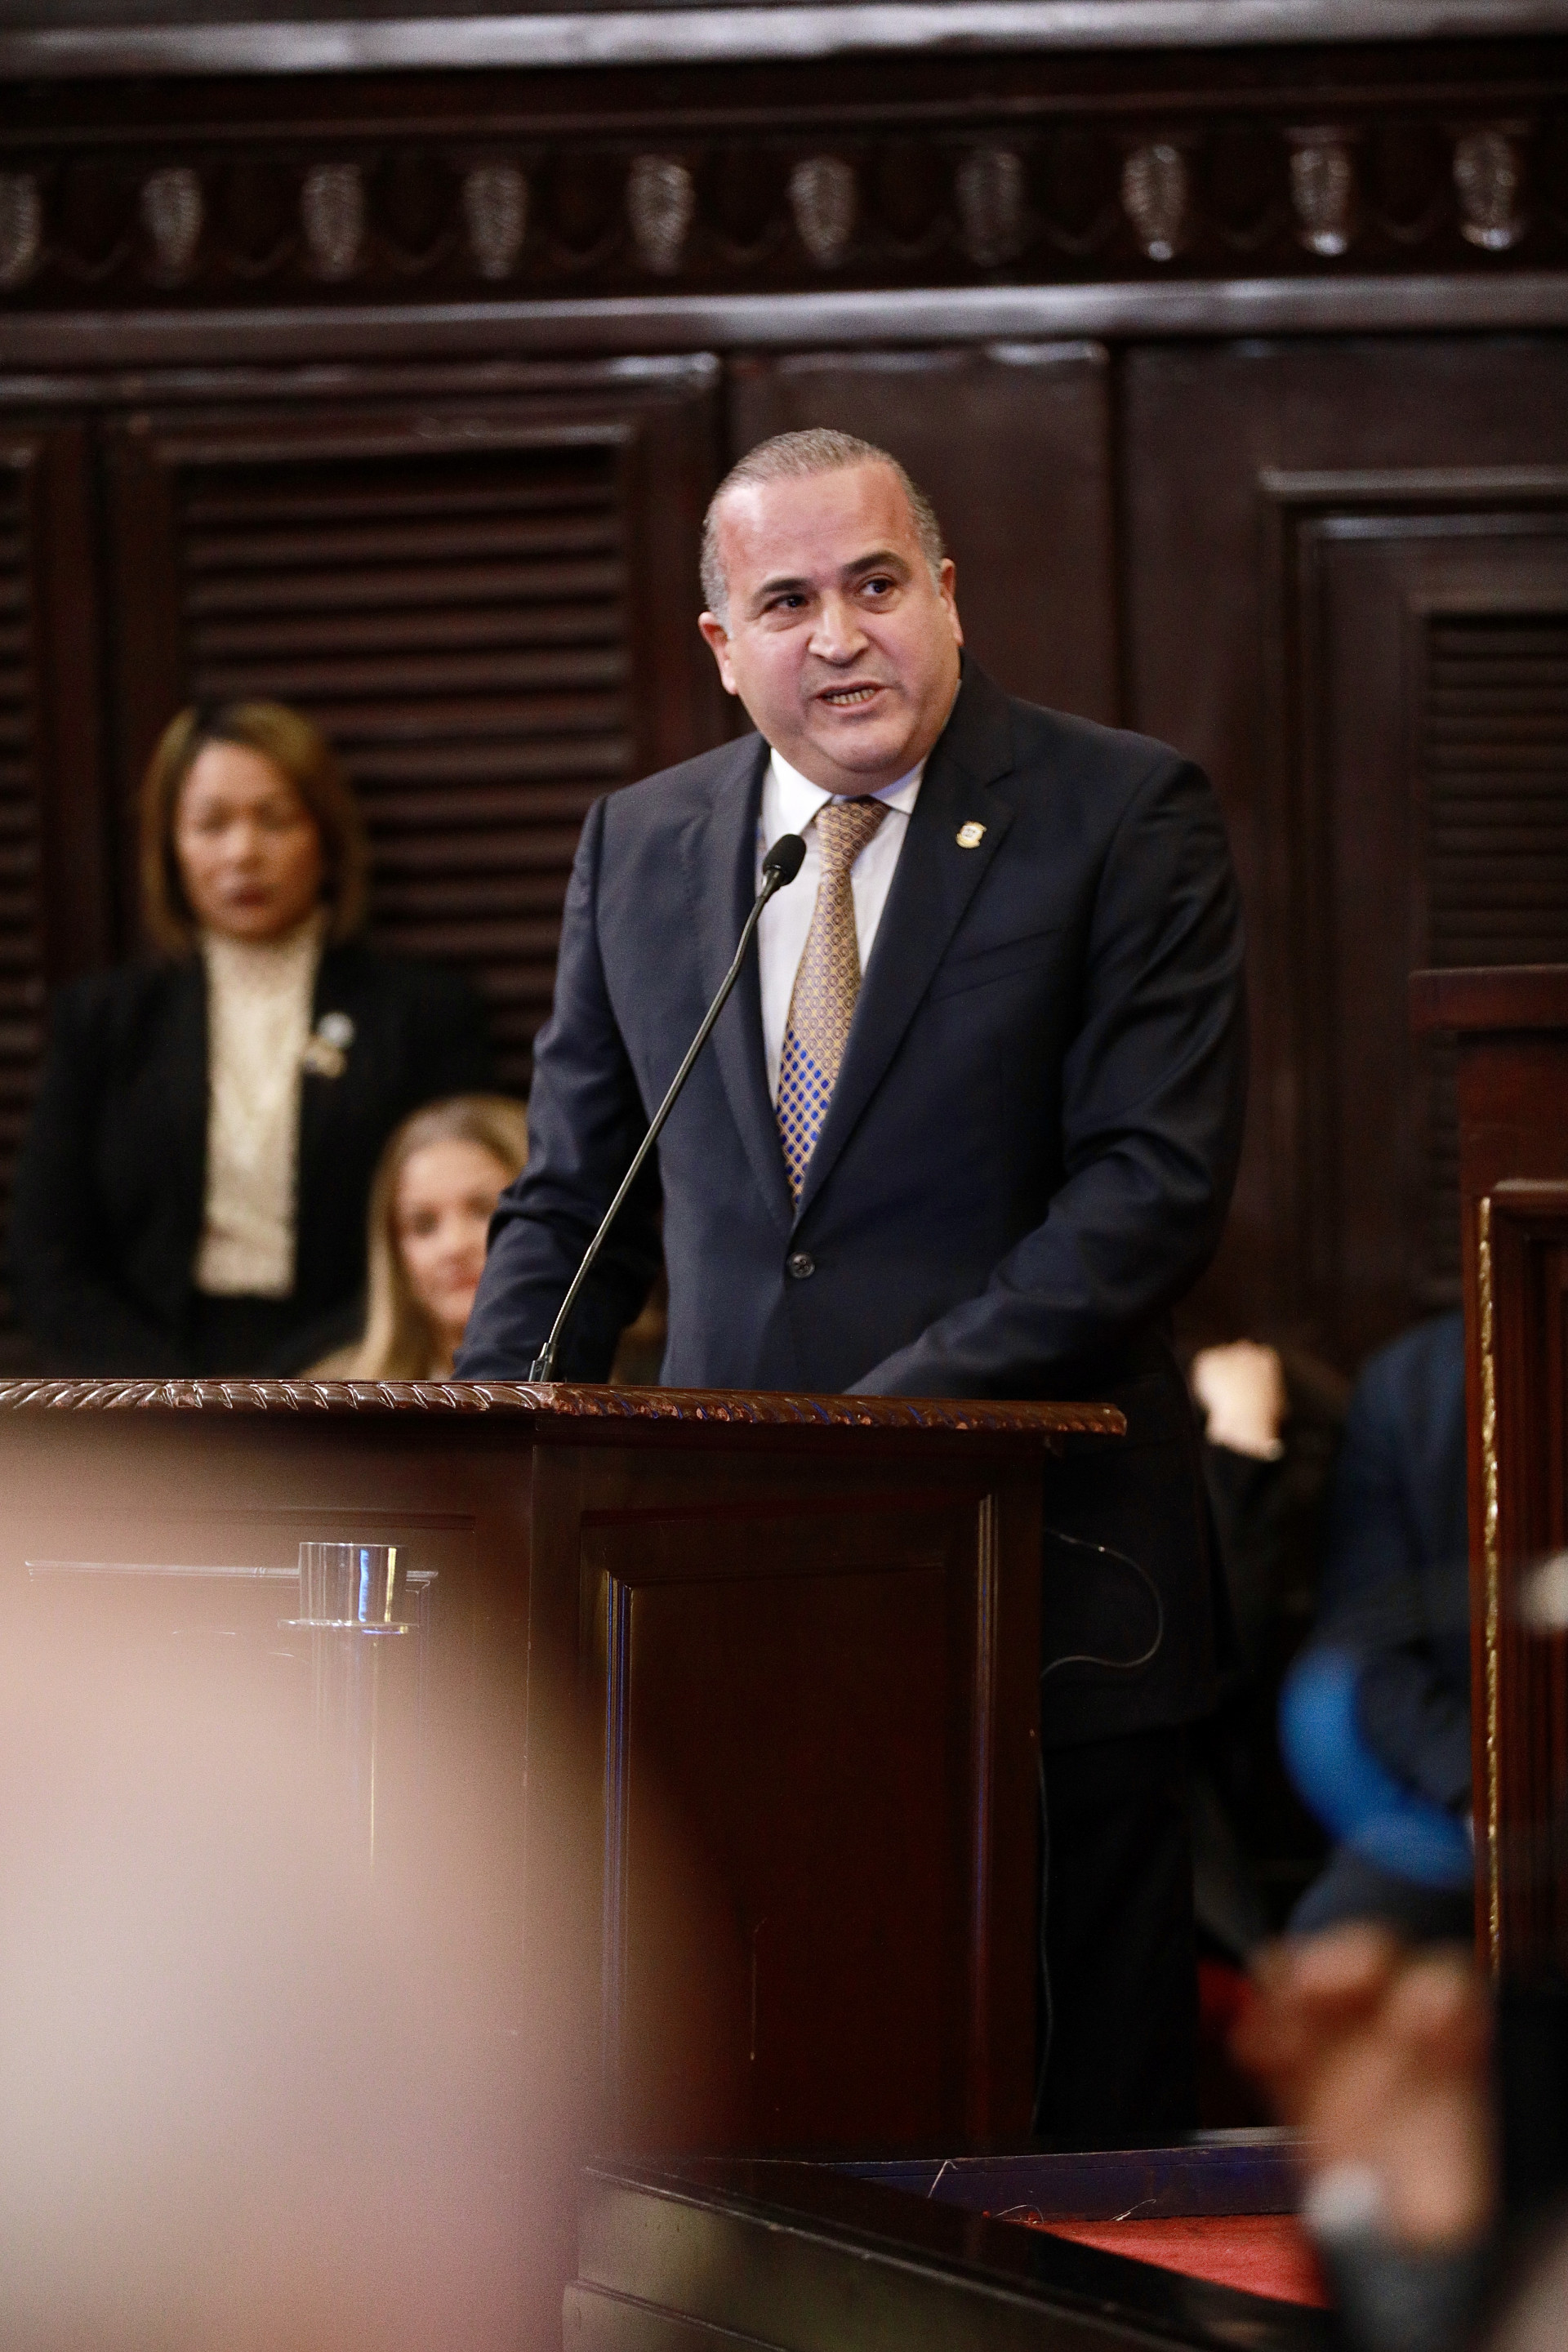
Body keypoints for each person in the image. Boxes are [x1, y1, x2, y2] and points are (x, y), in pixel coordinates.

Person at [457, 427, 1249, 2134]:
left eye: (877, 585)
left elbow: (1148, 1192)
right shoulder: (644, 844)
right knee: (778, 2108)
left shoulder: (1119, 813)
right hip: (720, 1602)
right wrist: (463, 1461)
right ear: (721, 644)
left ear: (947, 595)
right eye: (787, 602)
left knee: (1065, 2133)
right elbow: (575, 1205)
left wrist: (866, 1440)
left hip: (1042, 1599)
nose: (839, 637)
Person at [11, 701, 494, 1378]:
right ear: (170, 846)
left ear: (325, 836)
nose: (243, 852)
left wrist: (301, 1380)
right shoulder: (105, 1021)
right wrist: (173, 1393)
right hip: (144, 1385)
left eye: (274, 819)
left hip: (357, 1369)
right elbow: (46, 1258)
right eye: (211, 824)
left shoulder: (420, 1014)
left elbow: (460, 1225)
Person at [1281, 1312, 1472, 1942]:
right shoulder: (1408, 1383)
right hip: (1460, 1795)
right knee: (1336, 1942)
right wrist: (1475, 1790)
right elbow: (1368, 1651)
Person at [315, 1094, 528, 1382]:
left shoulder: (589, 1396)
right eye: (424, 1226)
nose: (454, 1246)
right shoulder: (332, 1398)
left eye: (483, 1210)